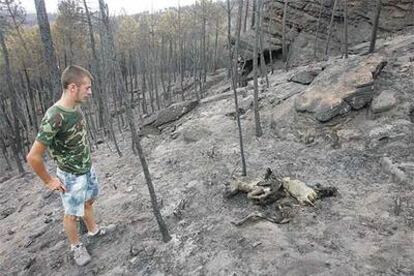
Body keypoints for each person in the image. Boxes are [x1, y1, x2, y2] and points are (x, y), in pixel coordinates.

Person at [27, 65, 104, 266]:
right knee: (71, 214)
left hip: (87, 169)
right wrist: (49, 180)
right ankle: (76, 246)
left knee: (88, 202)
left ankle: (94, 231)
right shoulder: (54, 116)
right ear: (72, 87)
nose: (90, 92)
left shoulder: (75, 109)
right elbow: (33, 156)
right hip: (70, 176)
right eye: (86, 88)